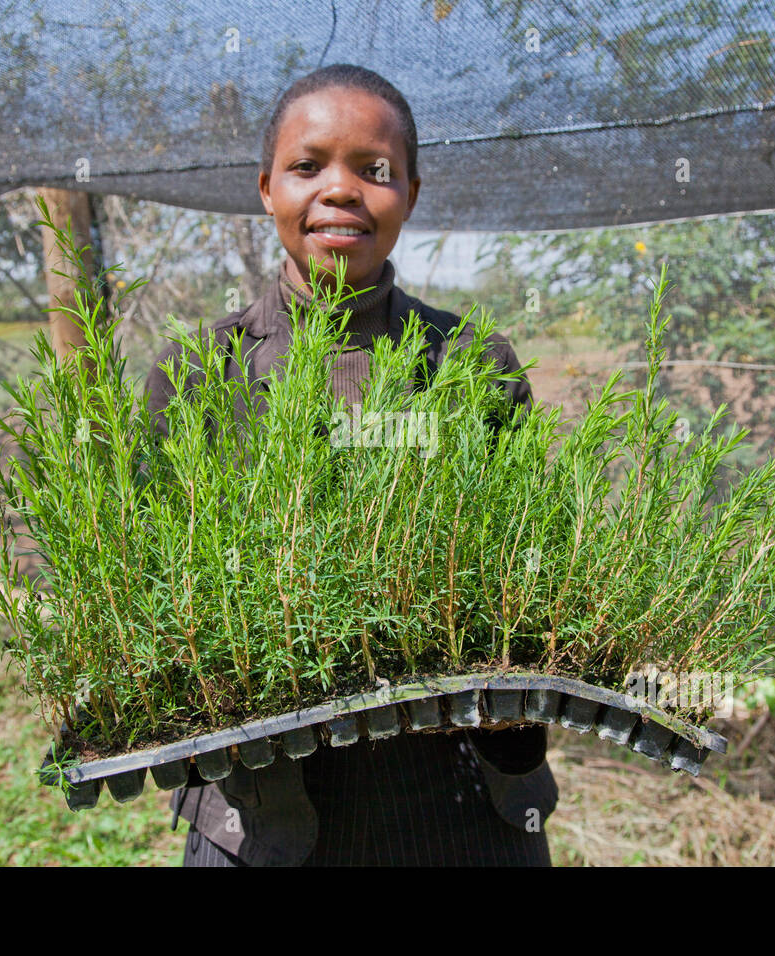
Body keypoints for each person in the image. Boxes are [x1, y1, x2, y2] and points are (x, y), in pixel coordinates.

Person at [145, 64, 557, 866]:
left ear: (410, 190)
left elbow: (529, 562)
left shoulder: (471, 362)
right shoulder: (203, 371)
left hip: (459, 801)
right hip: (261, 811)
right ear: (267, 189)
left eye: (375, 169)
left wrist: (518, 703)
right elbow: (151, 571)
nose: (341, 189)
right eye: (308, 166)